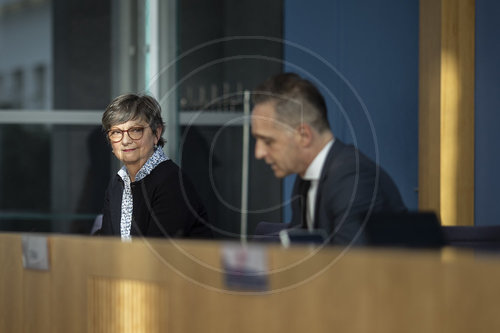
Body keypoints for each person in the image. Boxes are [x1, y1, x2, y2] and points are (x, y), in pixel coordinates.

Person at [251, 73, 406, 245]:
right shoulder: (305, 179)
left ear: (304, 135)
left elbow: (350, 266)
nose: (259, 153)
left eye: (268, 141)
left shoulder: (353, 179)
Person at [98, 93, 212, 239]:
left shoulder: (172, 183)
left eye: (135, 130)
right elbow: (108, 246)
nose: (125, 140)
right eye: (116, 132)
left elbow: (156, 254)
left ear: (156, 133)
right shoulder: (116, 184)